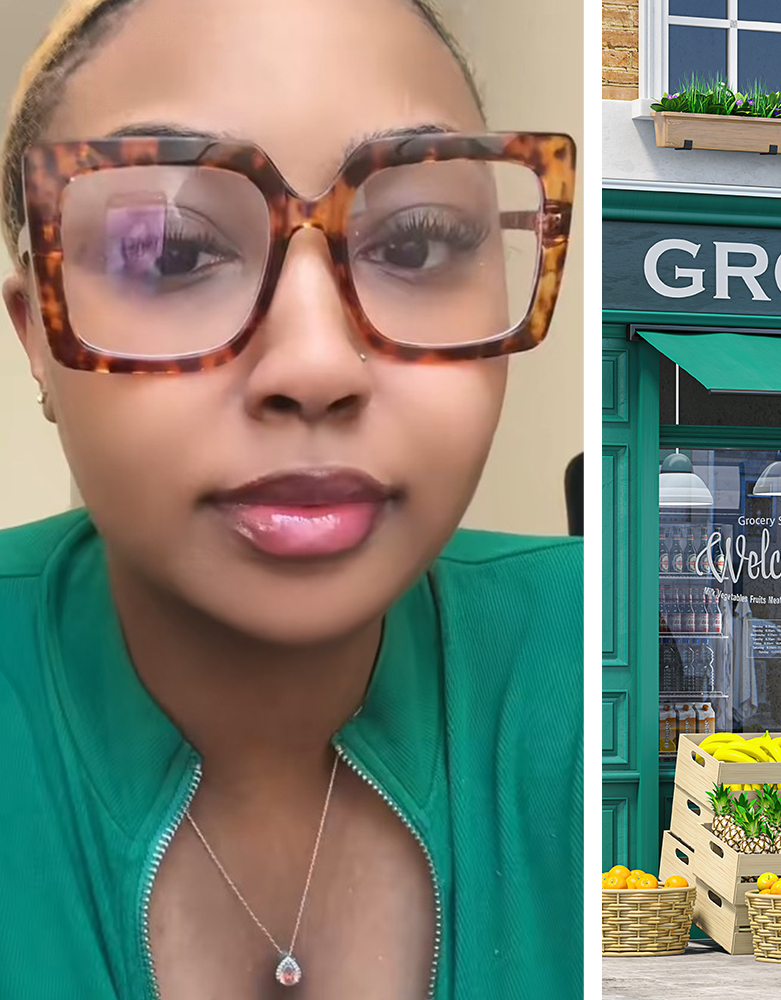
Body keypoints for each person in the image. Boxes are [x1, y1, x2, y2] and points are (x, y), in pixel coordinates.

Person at [0, 0, 580, 996]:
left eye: (416, 244)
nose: (316, 365)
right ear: (37, 338)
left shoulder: (583, 653)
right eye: (174, 252)